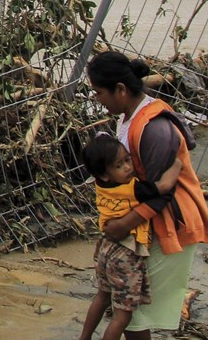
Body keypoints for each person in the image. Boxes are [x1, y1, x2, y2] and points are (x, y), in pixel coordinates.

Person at [86, 51, 208, 339]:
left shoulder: (154, 129)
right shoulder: (128, 116)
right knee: (131, 314)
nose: (97, 99)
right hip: (147, 223)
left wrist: (122, 225)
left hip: (170, 221)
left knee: (133, 315)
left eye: (99, 92)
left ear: (120, 89)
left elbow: (159, 194)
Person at [79, 133, 183, 340]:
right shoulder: (132, 189)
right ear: (105, 174)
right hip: (126, 253)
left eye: (128, 160)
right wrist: (178, 164)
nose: (128, 167)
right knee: (122, 316)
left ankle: (84, 338)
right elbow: (163, 186)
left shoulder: (102, 186)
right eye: (119, 165)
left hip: (106, 248)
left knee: (102, 296)